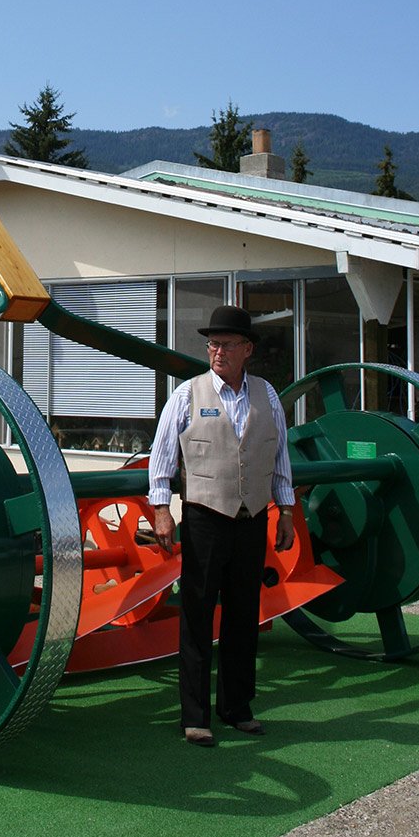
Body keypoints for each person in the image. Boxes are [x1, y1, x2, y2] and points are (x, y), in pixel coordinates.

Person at [148, 304, 295, 746]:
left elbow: (278, 456)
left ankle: (236, 708)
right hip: (204, 519)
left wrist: (285, 510)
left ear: (247, 349)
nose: (217, 351)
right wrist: (160, 509)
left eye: (227, 344)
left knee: (243, 615)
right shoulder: (187, 395)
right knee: (195, 615)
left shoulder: (268, 396)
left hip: (251, 520)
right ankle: (195, 716)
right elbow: (162, 458)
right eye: (212, 343)